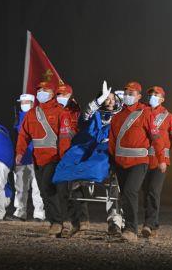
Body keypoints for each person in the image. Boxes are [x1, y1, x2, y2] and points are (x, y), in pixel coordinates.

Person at [53, 81, 124, 237]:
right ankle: (77, 221)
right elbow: (85, 117)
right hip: (87, 147)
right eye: (107, 98)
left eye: (112, 98)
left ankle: (115, 222)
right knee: (71, 168)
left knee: (112, 188)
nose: (110, 101)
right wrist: (98, 102)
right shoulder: (94, 114)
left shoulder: (121, 115)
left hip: (107, 154)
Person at [108, 81, 165, 242]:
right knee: (124, 195)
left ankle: (131, 230)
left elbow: (156, 138)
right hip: (120, 163)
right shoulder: (118, 116)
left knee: (130, 192)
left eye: (131, 94)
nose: (127, 96)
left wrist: (161, 159)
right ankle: (129, 227)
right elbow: (112, 142)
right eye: (126, 93)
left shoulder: (146, 113)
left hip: (139, 162)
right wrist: (112, 162)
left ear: (139, 97)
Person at [16, 81, 73, 237]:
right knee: (43, 192)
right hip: (38, 159)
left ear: (52, 93)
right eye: (39, 89)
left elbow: (64, 137)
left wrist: (63, 157)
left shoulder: (61, 113)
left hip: (54, 158)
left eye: (45, 89)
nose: (41, 92)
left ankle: (57, 223)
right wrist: (19, 152)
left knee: (49, 188)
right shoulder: (32, 113)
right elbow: (23, 135)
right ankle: (55, 222)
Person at [142, 86, 172, 237]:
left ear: (162, 99)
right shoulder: (142, 112)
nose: (152, 96)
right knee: (145, 192)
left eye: (156, 94)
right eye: (150, 94)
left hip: (161, 162)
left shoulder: (169, 117)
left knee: (154, 191)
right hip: (142, 160)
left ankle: (148, 224)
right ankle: (153, 224)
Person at [6, 93, 46, 222]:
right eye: (22, 103)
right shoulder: (18, 117)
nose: (23, 105)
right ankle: (20, 212)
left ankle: (39, 214)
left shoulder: (38, 116)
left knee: (37, 188)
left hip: (35, 157)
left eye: (26, 102)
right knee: (20, 187)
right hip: (22, 158)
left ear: (32, 103)